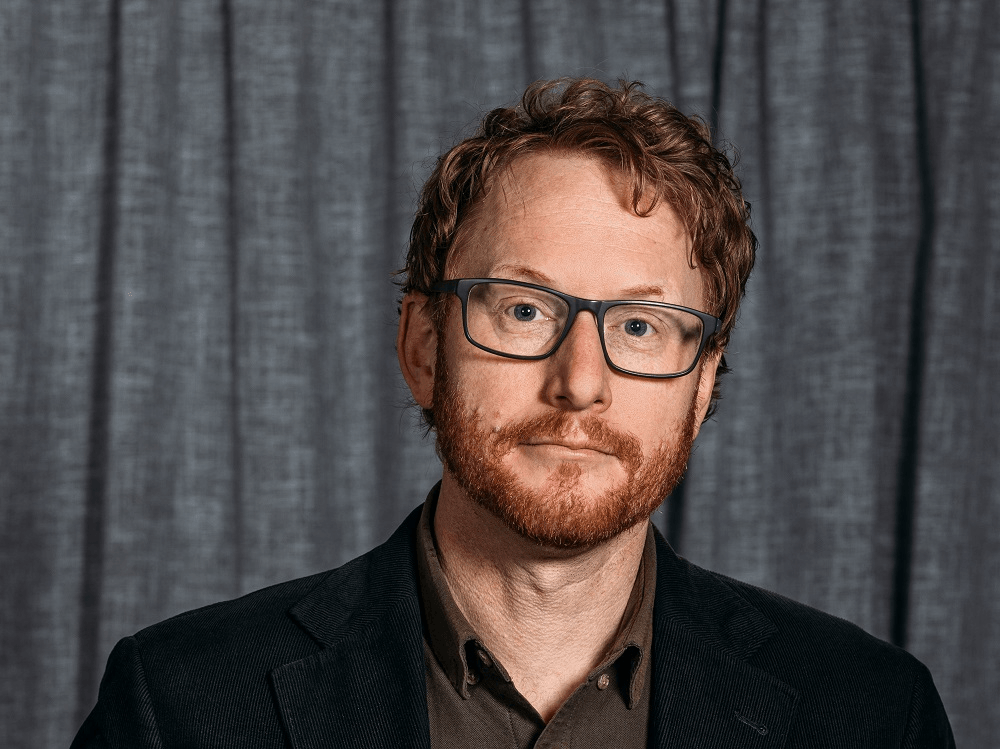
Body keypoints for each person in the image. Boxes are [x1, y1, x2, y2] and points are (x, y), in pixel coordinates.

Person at [72, 78, 953, 748]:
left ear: (703, 387)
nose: (579, 382)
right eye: (524, 310)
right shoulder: (180, 706)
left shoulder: (875, 714)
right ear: (422, 345)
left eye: (642, 325)